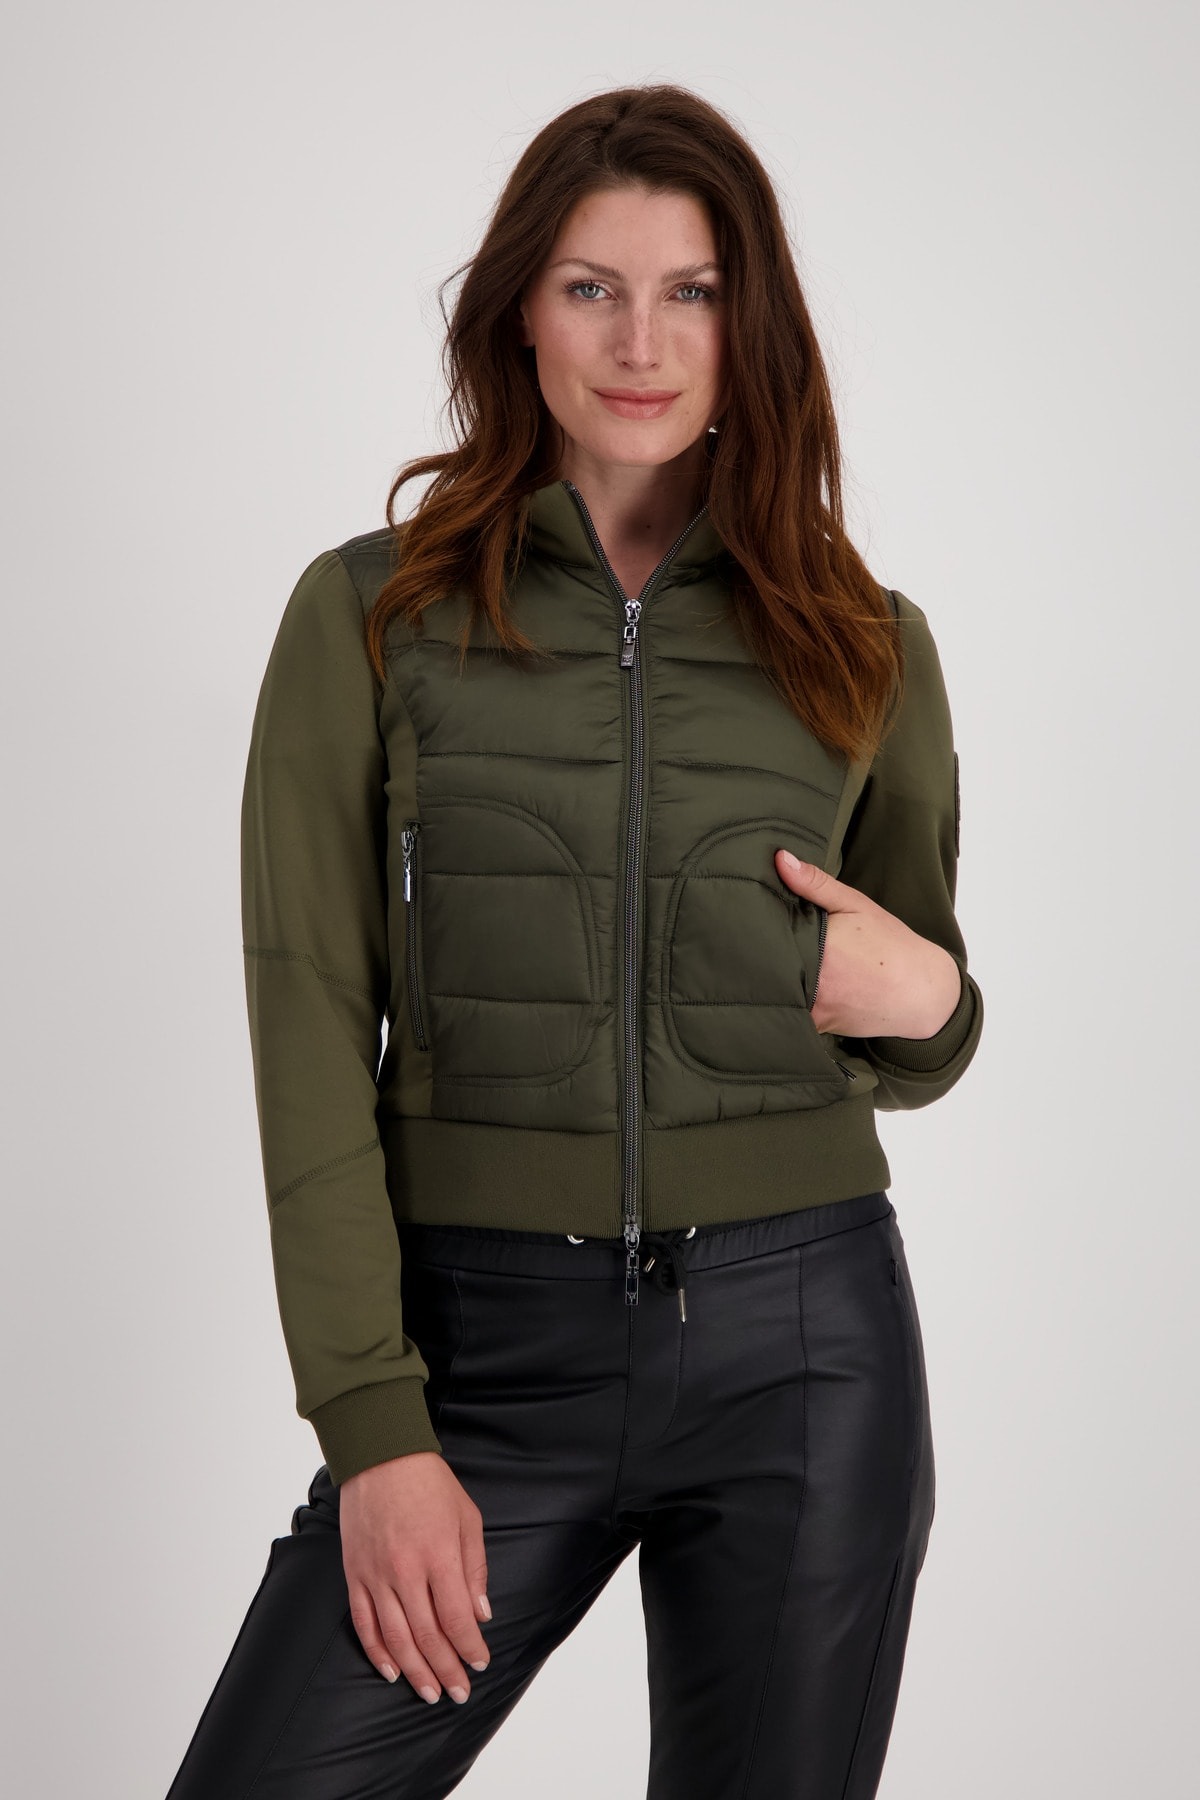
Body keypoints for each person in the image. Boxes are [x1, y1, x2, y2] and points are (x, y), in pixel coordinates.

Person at [166, 83, 983, 1800]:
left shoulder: (864, 639)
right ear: (519, 313)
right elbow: (308, 1029)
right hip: (479, 1361)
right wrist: (374, 1433)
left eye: (692, 291)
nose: (641, 342)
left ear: (748, 327)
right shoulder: (370, 616)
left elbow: (909, 1006)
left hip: (806, 1354)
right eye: (591, 287)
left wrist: (939, 1004)